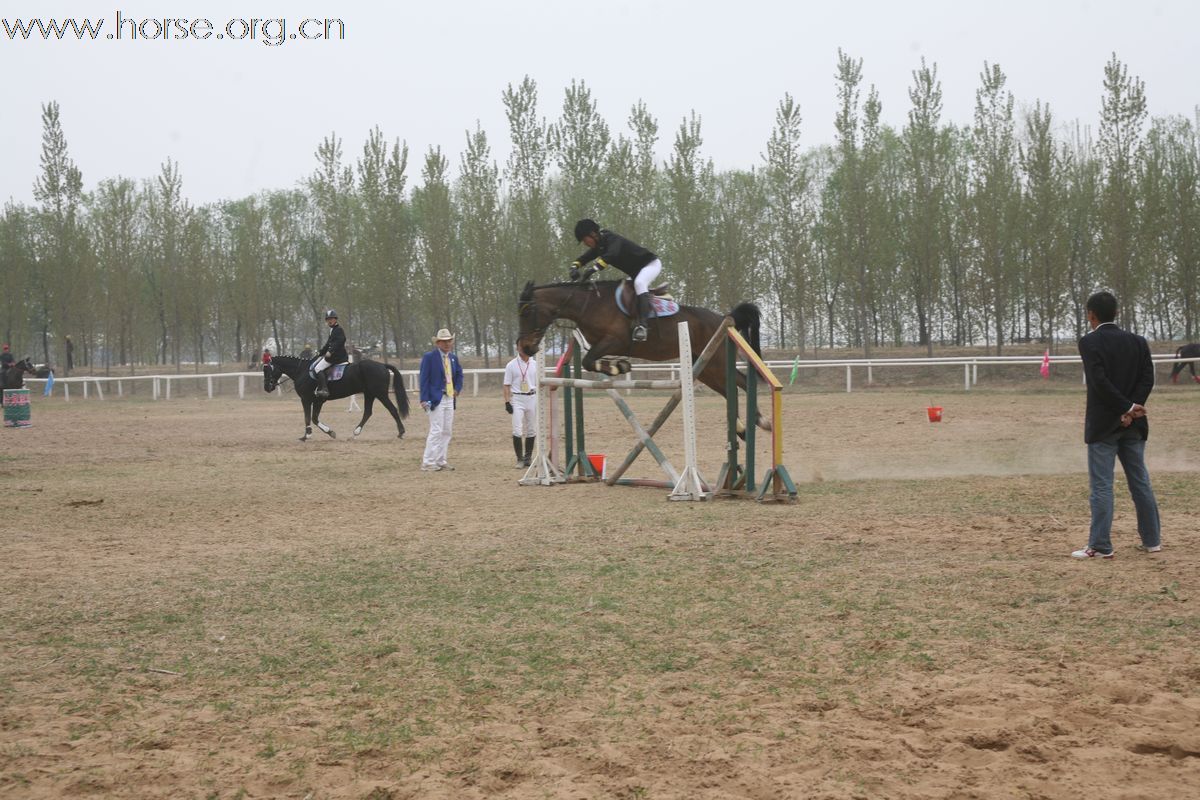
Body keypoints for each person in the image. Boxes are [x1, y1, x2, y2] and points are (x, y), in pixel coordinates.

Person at [1072, 290, 1162, 559]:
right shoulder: (1138, 341)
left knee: (1102, 486)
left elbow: (1099, 382)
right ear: (1116, 313)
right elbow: (1147, 378)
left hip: (1104, 425)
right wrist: (1133, 407)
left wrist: (1124, 408)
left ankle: (1100, 545)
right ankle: (1152, 540)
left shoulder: (1089, 343)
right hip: (1134, 424)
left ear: (1091, 314)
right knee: (1140, 482)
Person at [569, 219, 662, 342]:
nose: (585, 243)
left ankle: (643, 326)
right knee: (622, 289)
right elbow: (585, 258)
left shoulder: (612, 239)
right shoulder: (600, 245)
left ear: (593, 234)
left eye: (585, 239)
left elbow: (611, 255)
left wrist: (592, 270)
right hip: (636, 273)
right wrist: (574, 267)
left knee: (640, 283)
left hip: (650, 265)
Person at [418, 328, 464, 472]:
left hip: (449, 397)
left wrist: (458, 388)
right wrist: (424, 398)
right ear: (438, 343)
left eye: (449, 341)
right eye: (444, 341)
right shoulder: (429, 357)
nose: (447, 344)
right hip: (435, 398)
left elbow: (459, 374)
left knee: (447, 430)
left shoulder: (453, 358)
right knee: (436, 429)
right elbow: (424, 379)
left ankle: (440, 459)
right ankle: (428, 462)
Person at [502, 339, 538, 468]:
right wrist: (507, 402)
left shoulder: (535, 364)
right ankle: (520, 458)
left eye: (525, 345)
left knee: (532, 428)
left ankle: (528, 457)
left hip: (532, 397)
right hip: (518, 398)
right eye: (520, 346)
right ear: (517, 348)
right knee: (517, 428)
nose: (523, 348)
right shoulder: (511, 365)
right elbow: (506, 385)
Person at [312, 310, 347, 398]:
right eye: (327, 319)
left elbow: (340, 341)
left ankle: (324, 389)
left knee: (317, 368)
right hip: (334, 356)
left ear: (335, 319)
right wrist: (320, 352)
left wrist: (330, 351)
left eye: (331, 319)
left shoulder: (338, 330)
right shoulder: (332, 330)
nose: (329, 321)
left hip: (337, 357)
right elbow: (328, 344)